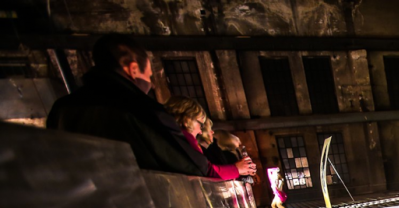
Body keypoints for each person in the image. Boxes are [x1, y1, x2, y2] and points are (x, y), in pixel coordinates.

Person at [48, 35, 253, 179]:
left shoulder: (62, 109)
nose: (152, 84)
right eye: (149, 76)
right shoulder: (143, 111)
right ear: (133, 68)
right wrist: (236, 169)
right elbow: (196, 168)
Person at [163, 96, 254, 180]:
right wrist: (236, 169)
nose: (200, 131)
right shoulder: (183, 139)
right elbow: (207, 171)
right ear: (188, 119)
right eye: (200, 124)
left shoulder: (170, 135)